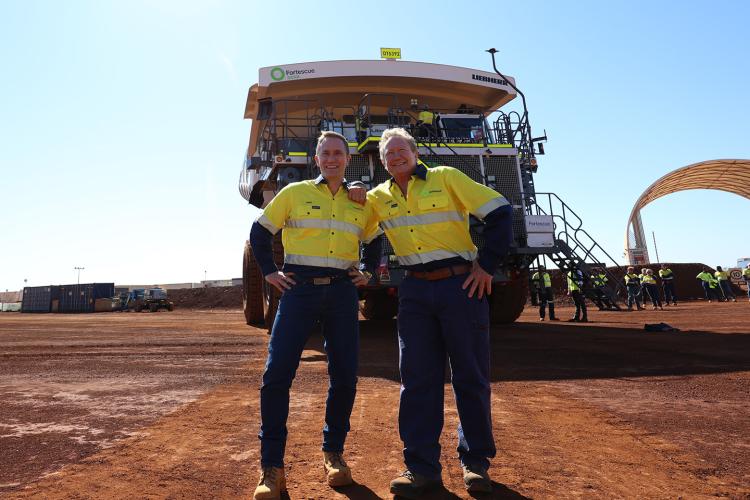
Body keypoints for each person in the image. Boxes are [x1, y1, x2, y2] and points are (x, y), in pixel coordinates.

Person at [361, 127, 513, 496]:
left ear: (414, 153)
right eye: (388, 154)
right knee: (416, 380)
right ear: (382, 162)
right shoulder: (377, 197)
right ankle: (421, 467)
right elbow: (364, 236)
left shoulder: (446, 178)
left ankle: (475, 462)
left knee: (470, 376)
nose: (395, 157)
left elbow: (501, 212)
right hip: (414, 291)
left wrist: (486, 266)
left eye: (401, 150)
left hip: (460, 285)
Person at [248, 131, 382, 500]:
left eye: (339, 153)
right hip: (298, 290)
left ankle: (333, 454)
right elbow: (260, 232)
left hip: (341, 291)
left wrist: (367, 270)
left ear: (348, 157)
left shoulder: (362, 200)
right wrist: (270, 271)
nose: (332, 159)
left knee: (344, 376)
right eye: (326, 153)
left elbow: (374, 238)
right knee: (276, 375)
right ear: (317, 158)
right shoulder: (295, 193)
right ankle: (271, 468)